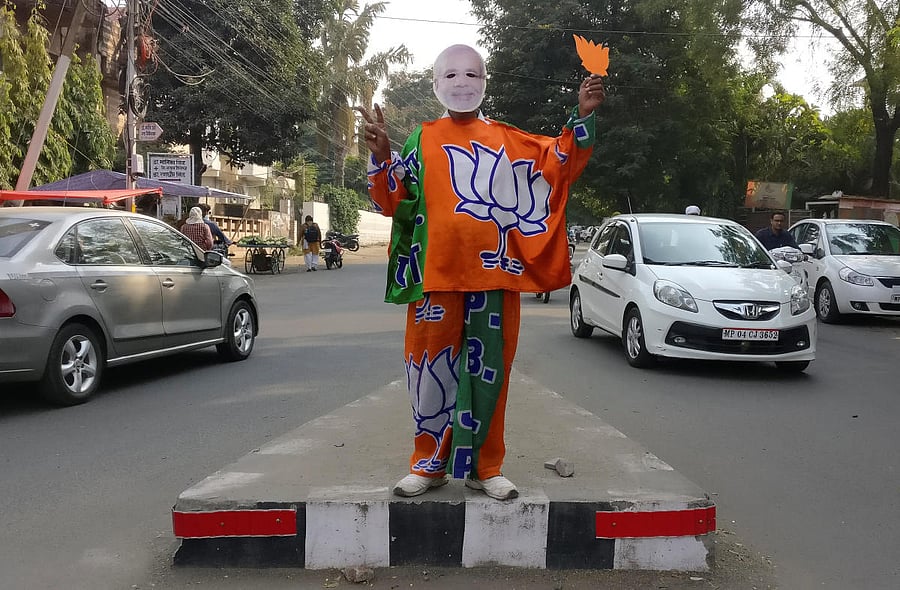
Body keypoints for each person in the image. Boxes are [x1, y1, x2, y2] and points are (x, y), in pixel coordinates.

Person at [357, 44, 605, 500]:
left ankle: (486, 468)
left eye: (472, 74)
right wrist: (382, 156)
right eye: (451, 74)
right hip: (434, 280)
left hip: (494, 280)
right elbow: (393, 201)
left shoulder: (508, 140)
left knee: (491, 375)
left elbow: (557, 163)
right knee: (428, 374)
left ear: (484, 83)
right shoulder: (421, 139)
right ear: (436, 84)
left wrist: (582, 116)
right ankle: (428, 465)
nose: (462, 82)